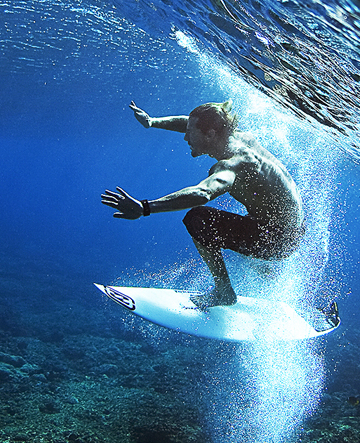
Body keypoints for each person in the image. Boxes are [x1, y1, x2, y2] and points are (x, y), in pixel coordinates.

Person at [101, 100, 304, 309]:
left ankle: (224, 293)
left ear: (210, 134)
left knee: (199, 219)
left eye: (190, 133)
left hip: (278, 239)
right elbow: (188, 123)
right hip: (290, 230)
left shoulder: (233, 164)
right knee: (246, 224)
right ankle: (264, 269)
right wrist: (152, 122)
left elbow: (202, 193)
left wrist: (145, 207)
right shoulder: (235, 136)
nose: (185, 137)